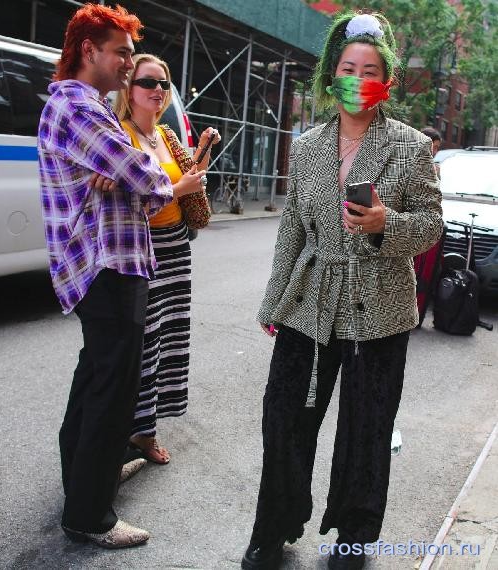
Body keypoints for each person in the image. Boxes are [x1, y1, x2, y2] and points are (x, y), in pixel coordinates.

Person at [241, 11, 442, 570]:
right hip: (309, 303)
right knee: (284, 420)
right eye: (348, 68)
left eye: (370, 69)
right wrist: (273, 298)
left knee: (367, 431)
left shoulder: (410, 146)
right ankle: (273, 527)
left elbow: (431, 226)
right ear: (332, 75)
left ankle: (354, 538)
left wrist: (385, 225)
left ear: (388, 80)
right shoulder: (306, 148)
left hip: (381, 309)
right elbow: (292, 230)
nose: (358, 78)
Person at [37, 4, 199, 549]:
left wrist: (128, 173)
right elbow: (147, 173)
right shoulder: (81, 108)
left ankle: (92, 478)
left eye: (133, 54)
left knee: (96, 381)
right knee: (111, 389)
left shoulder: (87, 107)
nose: (130, 65)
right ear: (89, 51)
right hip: (105, 266)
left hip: (111, 263)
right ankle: (89, 516)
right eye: (122, 53)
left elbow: (133, 173)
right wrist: (134, 170)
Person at [112, 54, 220, 464]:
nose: (157, 91)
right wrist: (179, 189)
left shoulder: (165, 135)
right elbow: (127, 199)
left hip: (176, 244)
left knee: (172, 337)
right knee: (146, 340)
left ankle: (147, 430)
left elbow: (191, 177)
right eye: (147, 83)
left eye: (163, 84)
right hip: (143, 247)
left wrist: (204, 151)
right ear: (129, 89)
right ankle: (131, 429)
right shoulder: (120, 136)